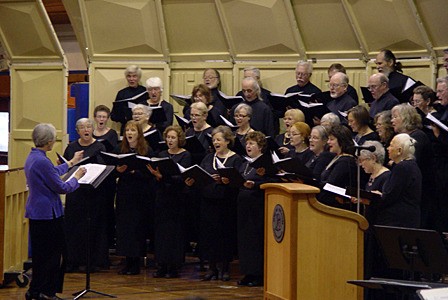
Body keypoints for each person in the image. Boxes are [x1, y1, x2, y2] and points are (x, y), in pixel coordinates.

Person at [24, 123, 86, 300]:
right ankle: (46, 292)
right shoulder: (42, 160)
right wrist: (77, 178)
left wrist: (71, 163)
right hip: (48, 214)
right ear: (49, 141)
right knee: (52, 256)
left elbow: (51, 172)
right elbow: (62, 187)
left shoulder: (34, 156)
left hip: (37, 212)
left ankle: (36, 290)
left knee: (40, 255)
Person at [186, 126, 243, 282]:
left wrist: (227, 181)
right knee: (209, 235)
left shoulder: (235, 159)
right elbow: (201, 175)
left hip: (225, 203)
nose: (215, 142)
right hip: (207, 202)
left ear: (227, 141)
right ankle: (211, 268)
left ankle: (224, 268)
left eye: (219, 139)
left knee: (224, 235)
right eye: (213, 140)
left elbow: (239, 182)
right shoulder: (208, 157)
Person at [63, 118, 109, 273]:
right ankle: (73, 260)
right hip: (75, 193)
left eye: (88, 126)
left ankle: (92, 261)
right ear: (78, 131)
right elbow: (66, 166)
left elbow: (104, 168)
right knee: (74, 227)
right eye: (82, 127)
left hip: (93, 193)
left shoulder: (100, 146)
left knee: (92, 227)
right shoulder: (71, 147)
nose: (86, 129)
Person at [147, 125, 192, 279]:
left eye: (173, 138)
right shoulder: (161, 154)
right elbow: (157, 179)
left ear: (179, 139)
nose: (170, 140)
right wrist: (156, 176)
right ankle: (161, 265)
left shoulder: (185, 155)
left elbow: (182, 178)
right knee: (161, 234)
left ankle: (173, 266)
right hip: (162, 198)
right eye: (168, 137)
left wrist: (163, 177)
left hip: (177, 198)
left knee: (175, 234)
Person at [115, 120, 155, 276]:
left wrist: (135, 172)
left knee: (137, 229)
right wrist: (119, 170)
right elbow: (113, 170)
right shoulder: (120, 149)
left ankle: (136, 263)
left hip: (140, 195)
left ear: (139, 133)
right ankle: (127, 261)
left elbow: (150, 173)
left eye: (133, 130)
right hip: (125, 193)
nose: (129, 133)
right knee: (125, 228)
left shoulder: (146, 150)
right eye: (127, 130)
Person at [232, 131, 272, 287]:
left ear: (260, 146)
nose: (248, 146)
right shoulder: (245, 162)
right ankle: (247, 273)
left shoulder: (266, 163)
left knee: (255, 241)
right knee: (245, 240)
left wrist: (254, 185)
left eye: (252, 143)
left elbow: (272, 180)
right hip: (243, 207)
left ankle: (258, 274)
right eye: (247, 143)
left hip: (257, 207)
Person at [377, 133, 421, 227]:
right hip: (408, 218)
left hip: (398, 221)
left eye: (391, 145)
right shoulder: (411, 165)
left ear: (399, 150)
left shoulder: (402, 167)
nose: (388, 148)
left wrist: (376, 196)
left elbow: (390, 195)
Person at [92, 105, 118, 249]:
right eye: (99, 116)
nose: (101, 119)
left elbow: (114, 153)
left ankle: (108, 239)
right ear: (95, 118)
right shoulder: (90, 132)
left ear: (107, 119)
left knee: (108, 207)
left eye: (104, 117)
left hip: (107, 175)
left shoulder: (112, 133)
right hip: (94, 174)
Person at [317, 125, 357, 209]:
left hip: (338, 208)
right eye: (328, 139)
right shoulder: (337, 157)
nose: (328, 142)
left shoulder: (345, 162)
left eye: (331, 139)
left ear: (341, 141)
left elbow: (331, 185)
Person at [236, 67, 278, 134]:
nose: (246, 94)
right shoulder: (238, 103)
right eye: (244, 91)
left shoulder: (264, 108)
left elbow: (270, 130)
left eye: (249, 91)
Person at [111, 65, 148, 135]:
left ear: (139, 77)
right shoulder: (121, 93)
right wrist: (124, 116)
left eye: (134, 76)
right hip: (126, 128)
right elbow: (113, 115)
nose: (131, 79)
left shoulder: (145, 92)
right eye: (129, 76)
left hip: (142, 129)